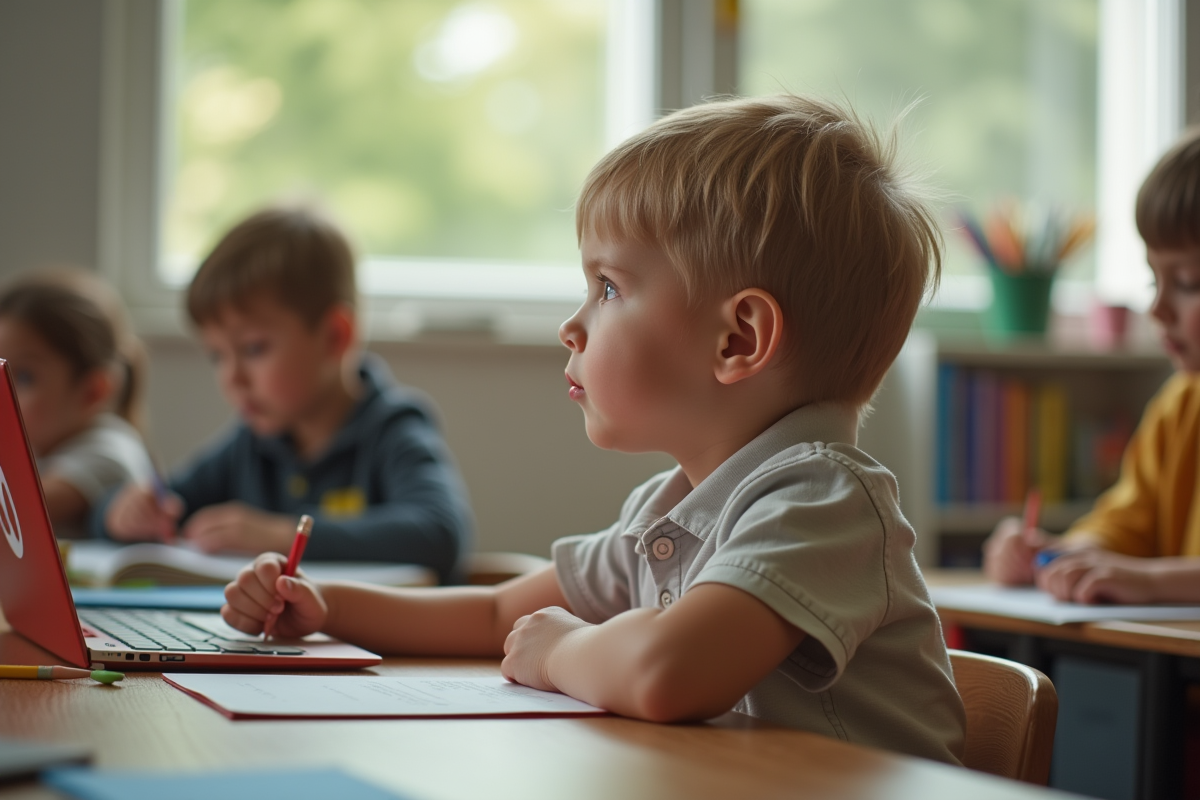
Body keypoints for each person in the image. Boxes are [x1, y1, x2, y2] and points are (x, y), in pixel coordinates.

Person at [221, 96, 965, 763]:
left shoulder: (824, 501)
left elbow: (667, 672)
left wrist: (561, 652)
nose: (571, 325)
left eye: (609, 287)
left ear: (738, 340)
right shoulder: (669, 513)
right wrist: (325, 607)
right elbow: (492, 613)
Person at [95, 206, 473, 584]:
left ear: (334, 337)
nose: (233, 377)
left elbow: (439, 533)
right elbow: (162, 504)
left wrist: (282, 536)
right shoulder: (252, 443)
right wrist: (122, 511)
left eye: (254, 348)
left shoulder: (392, 428)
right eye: (217, 356)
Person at [984, 129, 1200, 605]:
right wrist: (1056, 555)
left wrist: (1152, 583)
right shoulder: (1181, 406)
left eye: (1187, 283)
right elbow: (1123, 526)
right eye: (1153, 280)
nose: (1157, 309)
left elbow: (1139, 567)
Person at [0, 269, 154, 538]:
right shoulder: (37, 446)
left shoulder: (111, 452)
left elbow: (21, 509)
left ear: (93, 391)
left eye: (24, 377)